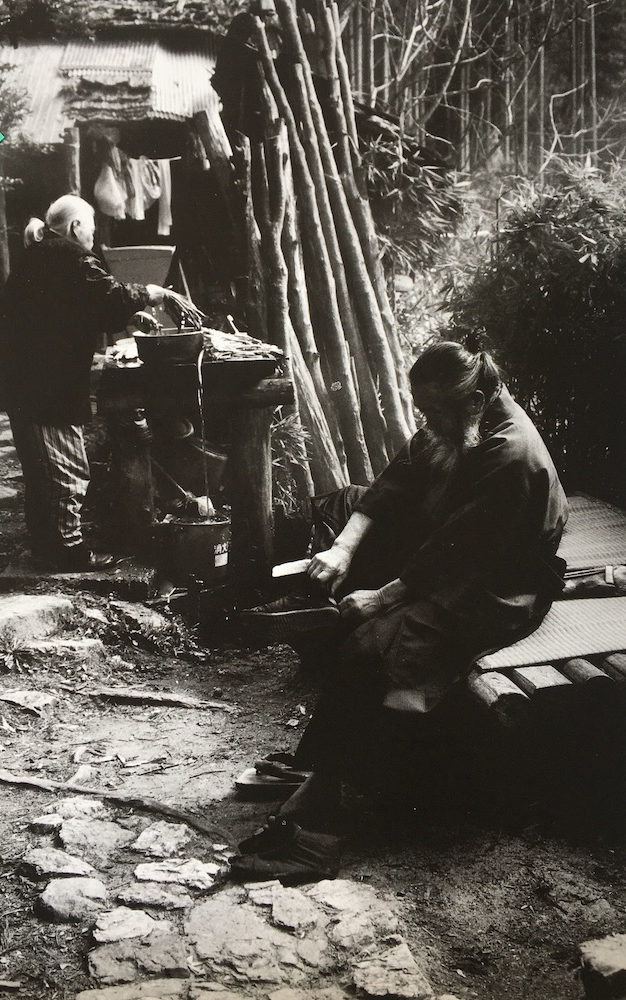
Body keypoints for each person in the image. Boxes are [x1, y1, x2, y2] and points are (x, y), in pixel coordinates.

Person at [240, 340, 569, 836]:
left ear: (474, 404)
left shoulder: (510, 456)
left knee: (371, 646)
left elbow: (455, 559)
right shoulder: (463, 413)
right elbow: (396, 482)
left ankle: (327, 774)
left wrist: (380, 597)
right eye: (424, 409)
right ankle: (324, 746)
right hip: (458, 554)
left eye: (433, 411)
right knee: (341, 509)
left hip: (499, 585)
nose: (427, 421)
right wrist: (344, 552)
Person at [0, 194, 169, 571]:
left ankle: (46, 544)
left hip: (28, 379)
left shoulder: (44, 255)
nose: (94, 233)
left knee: (43, 468)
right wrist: (156, 294)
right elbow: (106, 295)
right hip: (43, 385)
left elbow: (85, 307)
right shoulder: (68, 256)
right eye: (90, 225)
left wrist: (131, 315)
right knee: (65, 468)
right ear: (75, 227)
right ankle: (66, 550)